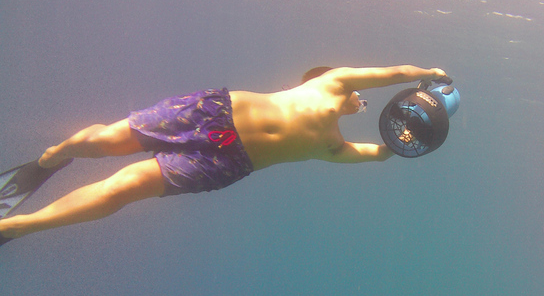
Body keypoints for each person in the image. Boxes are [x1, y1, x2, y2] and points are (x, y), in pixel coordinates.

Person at [0, 65, 448, 243]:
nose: (362, 105)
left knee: (124, 188)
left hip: (227, 161)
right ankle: (52, 157)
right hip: (213, 112)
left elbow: (380, 154)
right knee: (98, 144)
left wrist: (409, 140)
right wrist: (426, 73)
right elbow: (393, 72)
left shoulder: (333, 145)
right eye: (363, 101)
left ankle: (16, 226)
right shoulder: (331, 83)